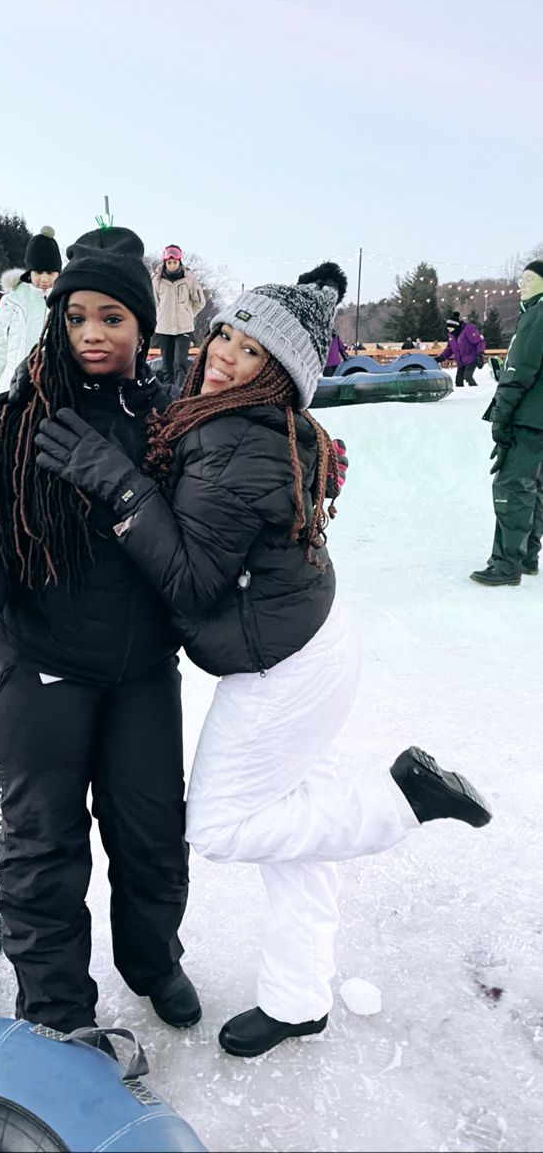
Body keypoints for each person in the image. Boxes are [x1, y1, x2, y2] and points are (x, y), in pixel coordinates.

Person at [31, 262, 493, 1058]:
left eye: (249, 351)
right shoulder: (240, 421)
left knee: (221, 824)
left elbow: (194, 578)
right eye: (225, 334)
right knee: (298, 835)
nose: (222, 354)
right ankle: (297, 998)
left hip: (283, 666)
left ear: (277, 374)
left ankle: (402, 799)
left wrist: (118, 487)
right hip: (300, 641)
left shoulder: (241, 442)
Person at [0, 226, 201, 1037]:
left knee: (153, 836)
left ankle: (152, 959)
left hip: (140, 673)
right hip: (39, 667)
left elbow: (200, 543)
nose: (93, 332)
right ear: (56, 318)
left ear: (140, 328)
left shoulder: (171, 422)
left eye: (113, 317)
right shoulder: (21, 417)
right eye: (78, 314)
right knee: (45, 850)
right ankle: (56, 1010)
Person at [470, 259, 543, 586]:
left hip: (528, 420)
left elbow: (519, 373)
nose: (520, 286)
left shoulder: (537, 316)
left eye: (528, 280)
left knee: (513, 488)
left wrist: (501, 417)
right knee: (535, 488)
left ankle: (506, 563)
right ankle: (527, 556)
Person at [0, 227, 62, 425]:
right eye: (39, 272)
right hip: (10, 395)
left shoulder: (66, 303)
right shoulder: (11, 302)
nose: (44, 279)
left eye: (50, 272)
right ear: (29, 271)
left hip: (54, 397)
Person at [151, 244, 205, 388]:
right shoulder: (157, 281)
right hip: (164, 328)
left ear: (179, 262)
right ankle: (168, 391)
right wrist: (160, 316)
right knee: (167, 363)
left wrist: (188, 314)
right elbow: (154, 303)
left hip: (184, 329)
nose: (172, 265)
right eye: (169, 262)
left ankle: (180, 390)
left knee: (180, 363)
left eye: (175, 262)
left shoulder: (189, 279)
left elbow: (199, 301)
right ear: (165, 263)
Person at [435, 311, 485, 386]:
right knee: (458, 381)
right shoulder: (451, 335)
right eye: (448, 327)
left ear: (456, 326)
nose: (448, 329)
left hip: (472, 357)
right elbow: (449, 349)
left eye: (450, 327)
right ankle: (461, 395)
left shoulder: (468, 329)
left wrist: (480, 354)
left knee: (467, 376)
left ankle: (475, 392)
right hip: (461, 361)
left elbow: (479, 342)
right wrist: (441, 358)